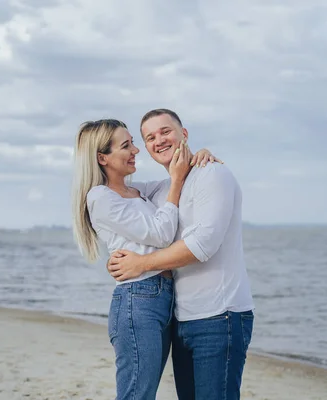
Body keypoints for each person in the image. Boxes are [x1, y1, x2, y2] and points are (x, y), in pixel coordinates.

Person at [107, 109, 255, 400]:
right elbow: (113, 187)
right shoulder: (161, 191)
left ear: (183, 134)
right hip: (180, 319)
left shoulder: (213, 174)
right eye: (150, 137)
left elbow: (203, 244)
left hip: (220, 316)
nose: (159, 141)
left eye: (166, 132)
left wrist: (141, 264)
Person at [71, 119, 219, 400]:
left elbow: (181, 178)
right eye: (126, 145)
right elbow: (162, 233)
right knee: (137, 395)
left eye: (133, 143)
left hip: (162, 299)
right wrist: (176, 180)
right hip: (137, 302)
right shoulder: (100, 197)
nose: (135, 151)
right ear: (102, 158)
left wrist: (200, 155)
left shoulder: (137, 191)